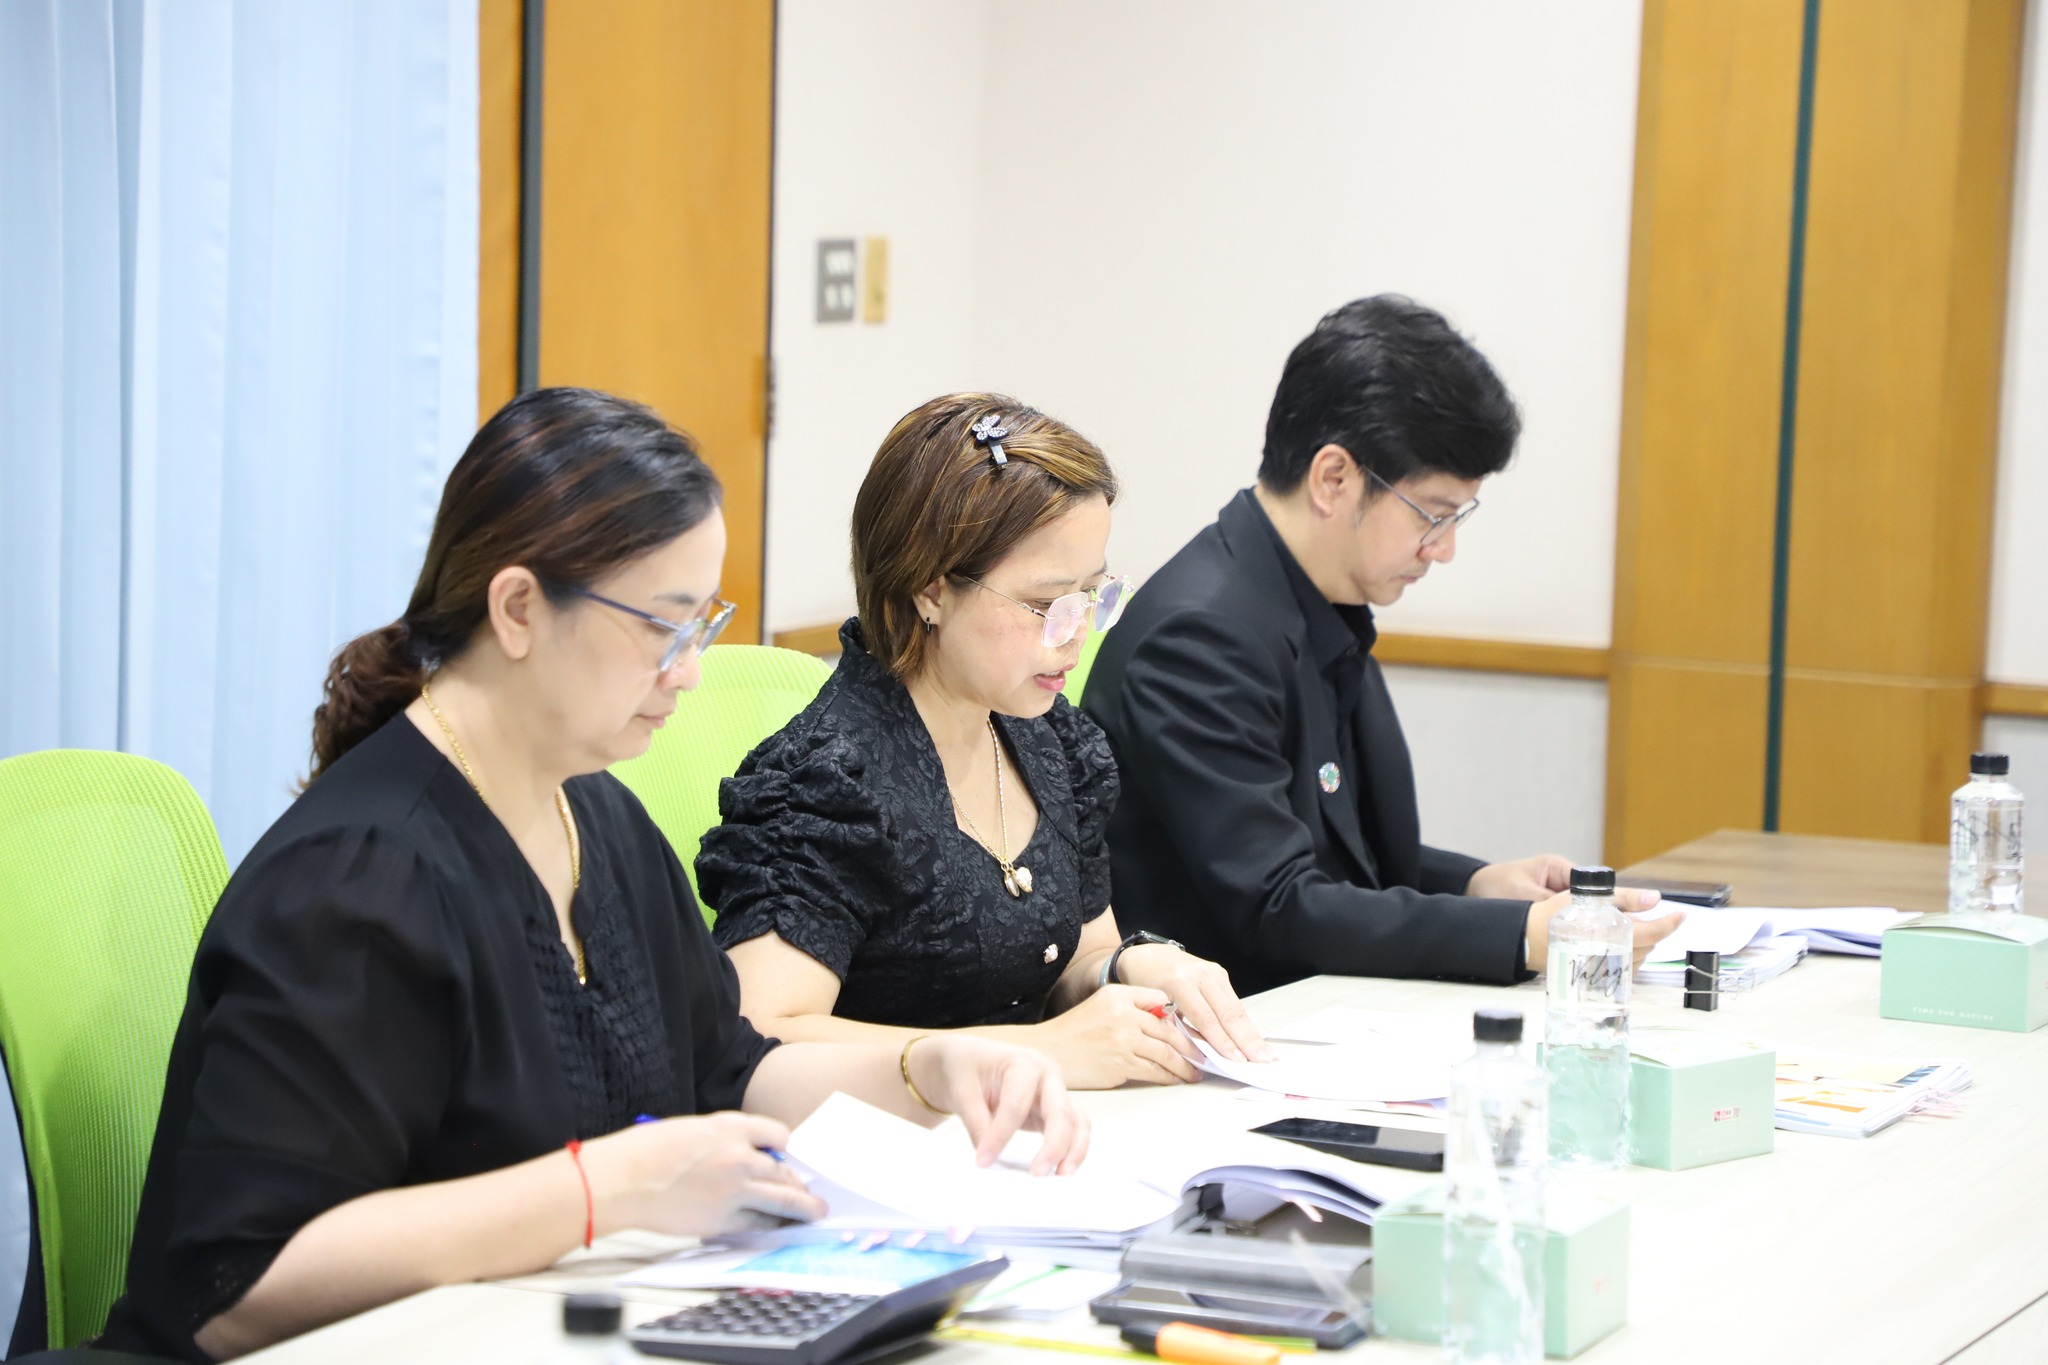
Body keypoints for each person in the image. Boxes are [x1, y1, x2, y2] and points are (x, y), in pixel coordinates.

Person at [98, 388, 1084, 1363]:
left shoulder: (595, 816)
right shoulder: (356, 881)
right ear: (519, 609)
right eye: (662, 627)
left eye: (701, 625)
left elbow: (730, 1070)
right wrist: (601, 1189)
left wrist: (927, 1067)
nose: (688, 671)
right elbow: (233, 1289)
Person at [1082, 297, 1683, 995]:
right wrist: (1524, 933)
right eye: (1433, 514)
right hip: (1225, 1028)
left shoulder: (1314, 600)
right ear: (1333, 479)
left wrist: (1480, 885)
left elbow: (1343, 858)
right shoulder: (1200, 636)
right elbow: (1278, 902)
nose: (1444, 548)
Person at [699, 394, 1271, 1090]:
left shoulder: (1051, 743)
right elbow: (761, 1034)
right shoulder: (828, 784)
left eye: (1093, 595)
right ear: (931, 591)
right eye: (1046, 605)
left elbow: (1073, 961)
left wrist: (1128, 966)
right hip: (878, 1144)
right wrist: (1036, 1051)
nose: (1076, 632)